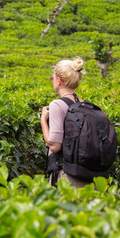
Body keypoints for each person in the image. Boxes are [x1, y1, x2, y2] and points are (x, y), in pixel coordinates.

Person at [40, 57, 91, 188]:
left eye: (52, 78)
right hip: (89, 175)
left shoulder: (57, 105)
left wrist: (43, 121)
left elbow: (54, 146)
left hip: (66, 176)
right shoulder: (85, 104)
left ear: (59, 80)